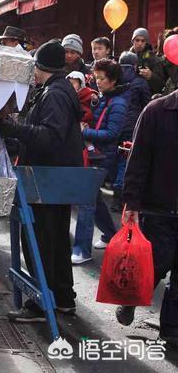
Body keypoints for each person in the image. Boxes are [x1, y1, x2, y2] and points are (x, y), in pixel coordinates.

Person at [0, 40, 84, 320]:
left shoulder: (55, 94)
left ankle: (41, 301)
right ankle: (62, 298)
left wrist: (13, 128)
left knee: (42, 240)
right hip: (53, 179)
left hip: (47, 179)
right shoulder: (55, 89)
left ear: (40, 66)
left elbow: (50, 137)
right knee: (55, 240)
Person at [119, 89, 178, 345]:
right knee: (156, 265)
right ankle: (132, 299)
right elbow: (138, 158)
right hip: (159, 207)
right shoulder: (157, 111)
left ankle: (172, 329)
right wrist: (131, 200)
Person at [71, 59, 127, 265]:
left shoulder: (118, 102)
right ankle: (111, 235)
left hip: (103, 156)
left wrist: (87, 131)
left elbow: (112, 133)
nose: (98, 82)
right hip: (98, 154)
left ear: (113, 80)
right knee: (94, 199)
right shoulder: (105, 98)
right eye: (96, 78)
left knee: (86, 201)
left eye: (102, 78)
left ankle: (82, 249)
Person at [111, 52, 150, 212]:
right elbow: (146, 106)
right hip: (132, 125)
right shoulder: (141, 83)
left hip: (116, 122)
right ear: (135, 66)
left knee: (114, 158)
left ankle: (114, 193)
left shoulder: (116, 81)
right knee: (125, 162)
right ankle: (121, 197)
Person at [130, 27, 165, 95]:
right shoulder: (126, 57)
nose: (140, 43)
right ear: (132, 41)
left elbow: (162, 86)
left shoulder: (154, 59)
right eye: (137, 40)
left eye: (143, 41)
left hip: (147, 97)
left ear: (146, 42)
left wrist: (151, 76)